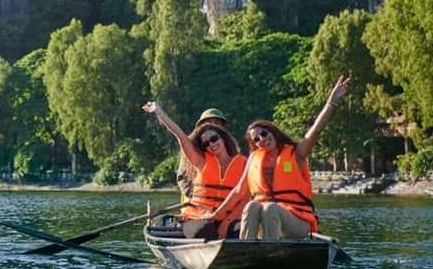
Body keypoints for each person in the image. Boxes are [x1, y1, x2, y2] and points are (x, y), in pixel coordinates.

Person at [205, 76, 352, 240]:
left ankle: (271, 254)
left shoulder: (297, 153)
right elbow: (238, 191)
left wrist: (331, 103)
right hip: (267, 219)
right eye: (256, 139)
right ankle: (246, 252)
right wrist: (215, 215)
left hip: (297, 222)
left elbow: (316, 130)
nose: (262, 139)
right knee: (252, 205)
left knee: (270, 209)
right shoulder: (254, 158)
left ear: (272, 132)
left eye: (264, 133)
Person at [143, 102, 246, 239]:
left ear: (223, 137)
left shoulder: (243, 163)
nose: (211, 144)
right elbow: (179, 135)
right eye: (206, 143)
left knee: (240, 232)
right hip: (197, 216)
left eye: (214, 139)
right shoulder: (201, 161)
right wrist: (159, 112)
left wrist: (226, 223)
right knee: (205, 231)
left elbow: (245, 198)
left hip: (227, 216)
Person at [177, 108, 229, 200]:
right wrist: (198, 196)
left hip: (222, 200)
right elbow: (182, 178)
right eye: (208, 123)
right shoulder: (191, 146)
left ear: (222, 126)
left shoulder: (229, 146)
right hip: (194, 200)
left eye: (216, 123)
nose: (212, 126)